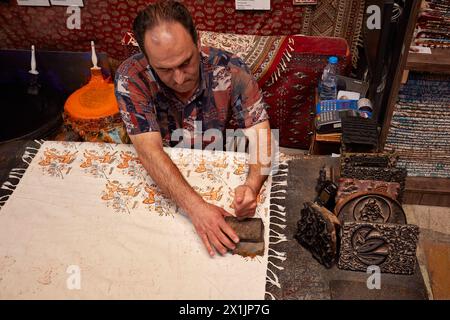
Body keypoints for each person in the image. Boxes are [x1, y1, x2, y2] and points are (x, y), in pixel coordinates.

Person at [114, 0, 272, 257]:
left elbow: (262, 133)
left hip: (216, 163)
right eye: (164, 69)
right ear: (146, 57)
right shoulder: (131, 77)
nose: (179, 78)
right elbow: (149, 152)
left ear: (198, 42)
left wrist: (252, 186)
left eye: (186, 62)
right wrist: (197, 209)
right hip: (166, 178)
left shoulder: (230, 67)